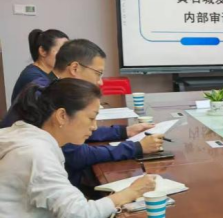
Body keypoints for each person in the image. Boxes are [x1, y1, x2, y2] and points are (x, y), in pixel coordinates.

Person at [0, 79, 156, 218]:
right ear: (62, 116)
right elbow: (80, 216)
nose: (94, 127)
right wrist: (132, 192)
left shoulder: (21, 134)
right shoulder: (37, 154)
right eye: (91, 118)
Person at [2, 39, 163, 186]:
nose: (100, 82)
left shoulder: (52, 87)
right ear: (75, 68)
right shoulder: (46, 95)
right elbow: (74, 155)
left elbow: (75, 128)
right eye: (98, 73)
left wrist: (124, 131)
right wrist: (135, 148)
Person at [10, 28, 68, 102]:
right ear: (42, 51)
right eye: (61, 51)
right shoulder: (32, 76)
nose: (67, 56)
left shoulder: (51, 74)